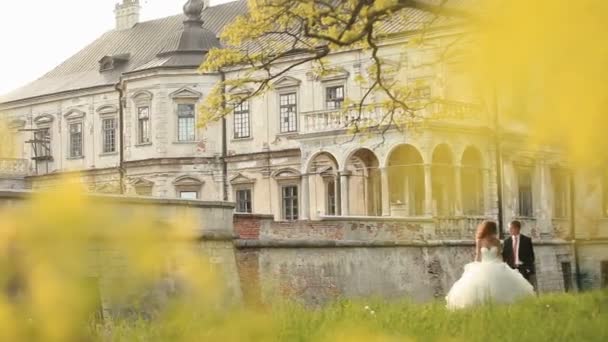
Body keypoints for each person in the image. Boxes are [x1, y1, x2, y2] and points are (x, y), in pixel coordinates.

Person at [445, 221, 534, 309]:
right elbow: (478, 255)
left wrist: (502, 266)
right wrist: (475, 266)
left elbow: (499, 256)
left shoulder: (497, 242)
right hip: (483, 266)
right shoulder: (479, 241)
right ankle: (482, 306)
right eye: (493, 230)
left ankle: (498, 306)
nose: (494, 233)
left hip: (495, 265)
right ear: (488, 230)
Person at [502, 220, 536, 285]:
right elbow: (504, 256)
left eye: (511, 228)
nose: (509, 230)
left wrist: (528, 268)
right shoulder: (507, 241)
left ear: (517, 228)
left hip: (523, 269)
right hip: (511, 270)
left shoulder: (526, 240)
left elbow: (531, 256)